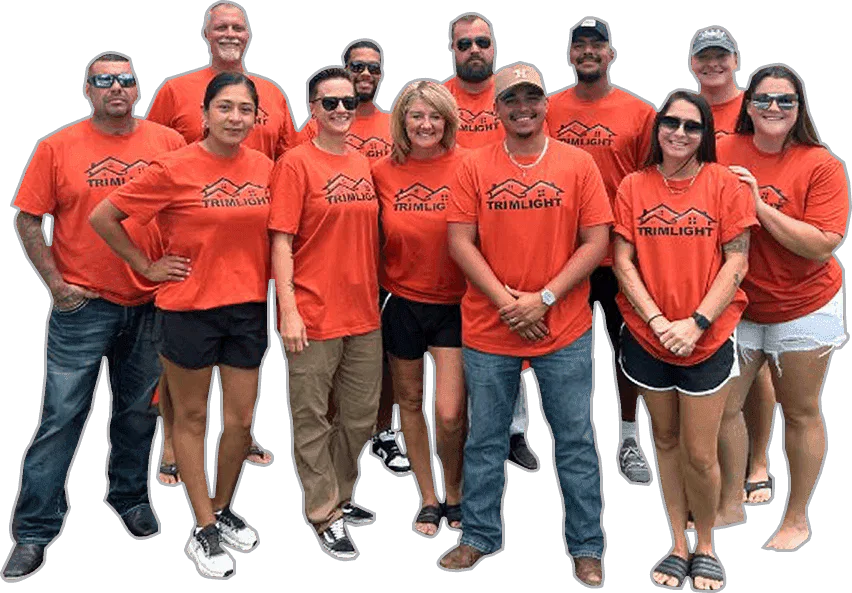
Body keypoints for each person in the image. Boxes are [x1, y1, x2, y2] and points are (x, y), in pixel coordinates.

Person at [1, 52, 185, 583]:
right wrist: (56, 284)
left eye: (124, 80)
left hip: (151, 302)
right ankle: (33, 532)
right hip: (83, 307)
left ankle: (130, 498)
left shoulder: (167, 143)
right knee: (61, 418)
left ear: (137, 87)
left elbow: (190, 206)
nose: (116, 89)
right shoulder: (58, 148)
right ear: (88, 90)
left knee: (137, 412)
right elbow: (26, 218)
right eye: (104, 81)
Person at [90, 72, 272, 578]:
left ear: (256, 118)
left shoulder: (265, 167)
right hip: (188, 309)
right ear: (205, 115)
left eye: (245, 110)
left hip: (248, 309)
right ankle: (203, 527)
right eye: (225, 108)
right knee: (191, 421)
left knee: (238, 422)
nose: (235, 118)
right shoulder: (173, 167)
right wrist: (145, 268)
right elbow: (105, 217)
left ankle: (221, 508)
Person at [441, 65, 610, 587]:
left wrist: (544, 298)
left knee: (576, 440)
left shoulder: (578, 164)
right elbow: (460, 241)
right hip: (490, 328)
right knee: (484, 439)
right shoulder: (473, 165)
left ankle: (587, 548)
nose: (523, 107)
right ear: (496, 108)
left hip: (563, 326)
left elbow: (596, 240)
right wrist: (508, 303)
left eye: (532, 98)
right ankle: (476, 536)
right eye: (511, 99)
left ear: (545, 104)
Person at [612, 90, 756, 591]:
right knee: (666, 441)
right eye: (670, 123)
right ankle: (677, 542)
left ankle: (706, 546)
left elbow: (737, 260)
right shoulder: (633, 186)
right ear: (657, 129)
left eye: (692, 126)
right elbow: (622, 259)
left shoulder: (724, 185)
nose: (678, 133)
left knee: (700, 453)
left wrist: (695, 322)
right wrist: (655, 321)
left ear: (705, 135)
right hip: (650, 339)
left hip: (706, 338)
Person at [147, 1, 297, 481]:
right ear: (206, 34)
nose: (230, 33)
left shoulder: (271, 92)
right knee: (182, 360)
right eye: (221, 26)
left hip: (250, 251)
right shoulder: (175, 91)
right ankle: (173, 439)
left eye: (238, 26)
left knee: (240, 373)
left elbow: (289, 160)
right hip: (194, 244)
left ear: (248, 36)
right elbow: (153, 154)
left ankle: (241, 437)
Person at [716, 65, 848, 550]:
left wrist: (759, 205)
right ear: (747, 106)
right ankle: (730, 500)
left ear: (799, 109)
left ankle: (796, 518)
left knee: (800, 412)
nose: (774, 108)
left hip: (803, 304)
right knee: (726, 409)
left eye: (785, 100)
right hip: (742, 303)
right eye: (764, 99)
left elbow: (821, 244)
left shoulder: (820, 165)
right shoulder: (724, 149)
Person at [269, 67, 382, 561]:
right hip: (313, 313)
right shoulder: (295, 164)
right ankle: (325, 513)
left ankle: (339, 490)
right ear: (311, 109)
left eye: (348, 104)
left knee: (359, 419)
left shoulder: (362, 162)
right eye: (328, 103)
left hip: (363, 313)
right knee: (312, 419)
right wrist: (288, 309)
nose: (341, 111)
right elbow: (280, 240)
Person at [546, 17, 656, 484]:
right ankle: (522, 432)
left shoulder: (640, 113)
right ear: (570, 54)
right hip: (559, 252)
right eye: (579, 44)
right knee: (543, 344)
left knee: (626, 349)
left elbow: (653, 183)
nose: (588, 51)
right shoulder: (546, 108)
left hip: (618, 255)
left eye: (597, 44)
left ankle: (630, 439)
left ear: (611, 54)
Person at [297, 39, 410, 477]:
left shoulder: (390, 127)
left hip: (380, 266)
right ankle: (325, 469)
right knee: (322, 376)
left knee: (378, 364)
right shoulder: (310, 139)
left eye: (374, 68)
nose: (365, 75)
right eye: (356, 67)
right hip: (327, 274)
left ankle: (381, 432)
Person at [443, 13, 539, 471]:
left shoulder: (519, 98)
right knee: (469, 345)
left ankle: (516, 430)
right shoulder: (440, 99)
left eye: (482, 41)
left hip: (510, 225)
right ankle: (469, 432)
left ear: (494, 47)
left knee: (512, 334)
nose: (474, 50)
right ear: (453, 51)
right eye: (465, 44)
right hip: (457, 227)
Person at [372, 81, 466, 536]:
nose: (426, 125)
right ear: (403, 121)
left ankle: (455, 489)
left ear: (448, 122)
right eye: (417, 116)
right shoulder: (381, 172)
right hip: (401, 300)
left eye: (435, 117)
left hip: (455, 304)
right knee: (409, 400)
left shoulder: (470, 165)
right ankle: (428, 497)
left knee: (449, 413)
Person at [692, 27, 778, 511]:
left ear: (735, 59)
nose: (712, 65)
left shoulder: (759, 104)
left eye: (720, 57)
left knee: (758, 366)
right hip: (711, 255)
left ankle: (760, 462)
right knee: (734, 365)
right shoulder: (690, 113)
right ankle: (717, 462)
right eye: (704, 58)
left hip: (764, 248)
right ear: (693, 63)